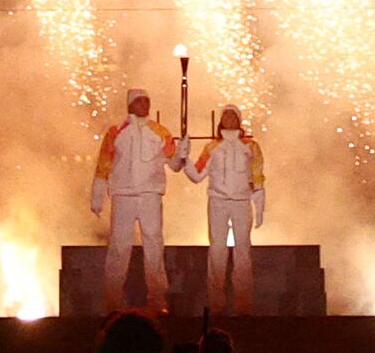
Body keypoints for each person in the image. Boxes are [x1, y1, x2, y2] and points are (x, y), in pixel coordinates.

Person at [93, 88, 179, 316]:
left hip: (150, 194)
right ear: (130, 105)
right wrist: (98, 194)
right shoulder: (116, 132)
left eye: (146, 101)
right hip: (123, 194)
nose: (144, 105)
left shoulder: (159, 131)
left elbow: (174, 163)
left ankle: (158, 298)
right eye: (139, 101)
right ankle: (112, 298)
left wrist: (181, 154)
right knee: (119, 245)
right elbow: (104, 162)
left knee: (154, 244)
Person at [194, 104, 265, 314]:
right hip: (218, 201)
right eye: (226, 115)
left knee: (243, 250)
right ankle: (216, 302)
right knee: (217, 249)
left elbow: (257, 175)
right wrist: (184, 158)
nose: (229, 118)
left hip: (242, 201)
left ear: (239, 120)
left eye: (233, 115)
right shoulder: (211, 147)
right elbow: (197, 174)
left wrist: (259, 204)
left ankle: (243, 303)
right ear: (220, 121)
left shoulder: (251, 146)